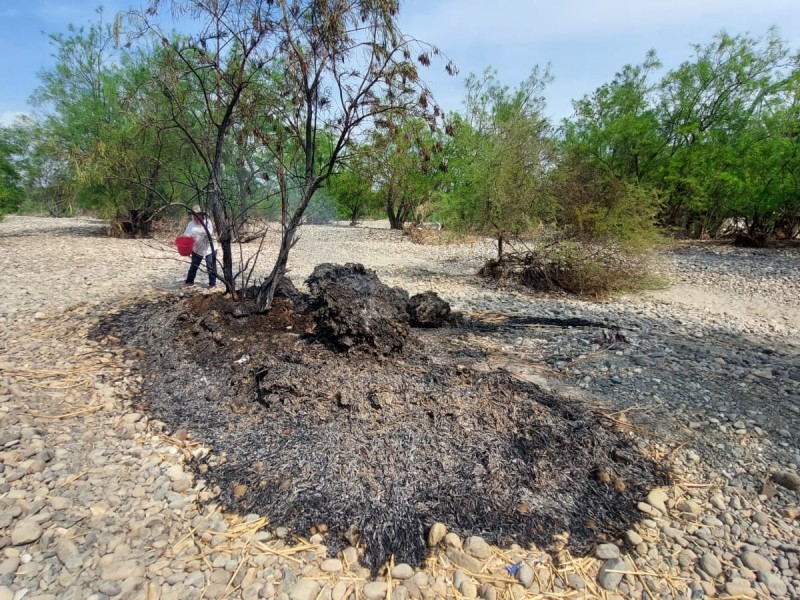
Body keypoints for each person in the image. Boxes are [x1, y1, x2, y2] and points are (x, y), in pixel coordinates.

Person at [182, 204, 218, 289]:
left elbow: (208, 232)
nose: (196, 216)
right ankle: (189, 281)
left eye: (198, 214)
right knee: (194, 266)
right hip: (197, 248)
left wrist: (194, 232)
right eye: (194, 215)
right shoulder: (191, 224)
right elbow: (186, 235)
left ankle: (212, 283)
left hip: (210, 247)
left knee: (211, 266)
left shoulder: (208, 222)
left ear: (202, 214)